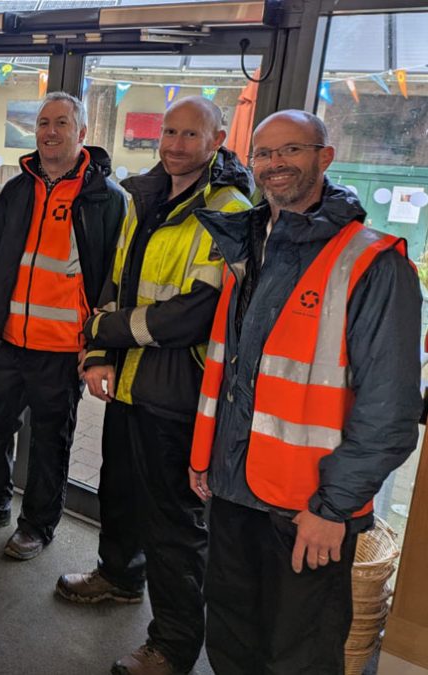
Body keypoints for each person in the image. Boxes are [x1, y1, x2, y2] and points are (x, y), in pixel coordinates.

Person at [191, 110, 421, 674]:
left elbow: (390, 411)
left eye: (290, 150)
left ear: (325, 156)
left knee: (299, 655)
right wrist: (207, 461)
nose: (274, 165)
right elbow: (234, 371)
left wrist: (333, 508)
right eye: (263, 154)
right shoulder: (249, 245)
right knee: (231, 637)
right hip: (233, 486)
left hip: (308, 507)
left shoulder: (373, 263)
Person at [58, 96, 254, 675]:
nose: (174, 144)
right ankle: (118, 577)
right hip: (129, 384)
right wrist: (98, 352)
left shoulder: (230, 208)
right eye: (169, 131)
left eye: (190, 135)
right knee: (119, 491)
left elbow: (196, 313)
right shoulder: (143, 198)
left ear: (216, 140)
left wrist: (106, 328)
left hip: (178, 393)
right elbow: (116, 281)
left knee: (174, 528)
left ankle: (171, 645)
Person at [0, 92, 124, 557]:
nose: (50, 131)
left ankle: (37, 526)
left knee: (50, 444)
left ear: (82, 132)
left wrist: (97, 349)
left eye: (61, 123)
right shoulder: (18, 188)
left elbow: (113, 281)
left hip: (62, 350)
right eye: (44, 122)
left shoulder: (106, 200)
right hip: (6, 341)